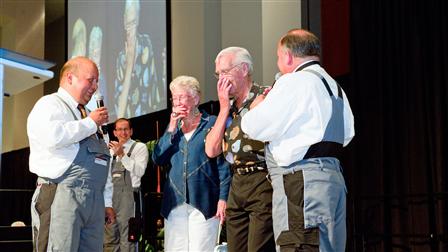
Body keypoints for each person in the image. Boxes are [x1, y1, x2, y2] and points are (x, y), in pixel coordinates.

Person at [241, 29, 355, 251]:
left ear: (288, 56)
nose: (278, 63)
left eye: (277, 57)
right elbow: (348, 134)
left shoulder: (293, 82)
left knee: (299, 245)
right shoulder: (335, 86)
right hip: (333, 180)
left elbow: (254, 126)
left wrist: (257, 107)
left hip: (302, 183)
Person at [27, 56, 116, 251]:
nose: (95, 86)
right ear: (70, 78)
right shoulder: (50, 104)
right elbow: (52, 136)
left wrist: (106, 201)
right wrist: (90, 123)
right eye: (90, 80)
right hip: (60, 193)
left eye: (97, 81)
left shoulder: (87, 114)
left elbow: (103, 160)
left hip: (94, 199)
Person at [205, 47, 276, 252]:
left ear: (244, 69)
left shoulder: (265, 96)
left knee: (258, 247)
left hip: (263, 179)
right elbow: (211, 149)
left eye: (225, 72)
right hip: (237, 184)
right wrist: (224, 109)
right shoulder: (228, 107)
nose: (221, 80)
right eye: (218, 75)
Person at [152, 75, 231, 251]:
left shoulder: (211, 123)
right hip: (174, 203)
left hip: (205, 201)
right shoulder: (174, 130)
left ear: (195, 98)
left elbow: (223, 164)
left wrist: (223, 197)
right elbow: (158, 158)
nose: (177, 102)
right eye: (174, 98)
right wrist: (172, 126)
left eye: (182, 97)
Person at [104, 118, 149, 252]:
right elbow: (106, 179)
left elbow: (140, 171)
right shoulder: (109, 152)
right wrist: (106, 203)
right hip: (111, 199)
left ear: (131, 131)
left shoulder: (139, 147)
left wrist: (122, 155)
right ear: (114, 132)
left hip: (130, 200)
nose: (123, 132)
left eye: (126, 129)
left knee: (128, 240)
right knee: (109, 240)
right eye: (120, 129)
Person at [115, 0, 162, 118]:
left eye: (134, 23)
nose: (130, 29)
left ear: (139, 20)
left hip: (149, 115)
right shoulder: (120, 57)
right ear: (124, 19)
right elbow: (118, 103)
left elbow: (152, 84)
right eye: (128, 23)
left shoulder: (146, 43)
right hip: (126, 121)